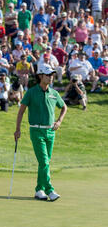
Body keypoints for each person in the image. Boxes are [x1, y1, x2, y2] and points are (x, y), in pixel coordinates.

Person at [14, 65, 67, 202]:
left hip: (50, 131)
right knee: (44, 161)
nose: (50, 77)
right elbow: (21, 112)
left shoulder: (54, 93)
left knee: (45, 162)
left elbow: (64, 107)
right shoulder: (31, 92)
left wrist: (59, 121)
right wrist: (18, 129)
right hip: (36, 130)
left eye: (52, 75)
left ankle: (39, 189)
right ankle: (49, 189)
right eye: (48, 75)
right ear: (40, 76)